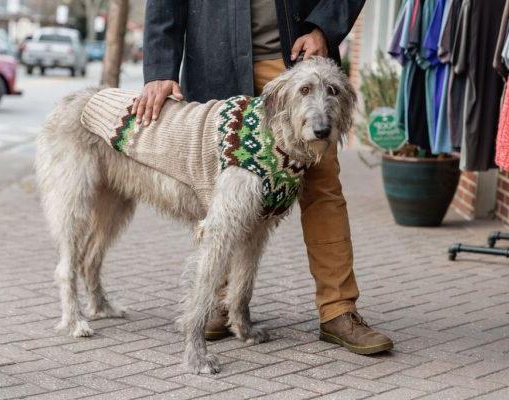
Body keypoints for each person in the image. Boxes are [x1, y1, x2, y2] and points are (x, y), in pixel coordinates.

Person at [134, 0, 393, 355]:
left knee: (322, 189)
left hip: (295, 62)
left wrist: (324, 27)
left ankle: (338, 309)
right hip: (215, 64)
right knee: (218, 187)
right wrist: (161, 68)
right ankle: (222, 302)